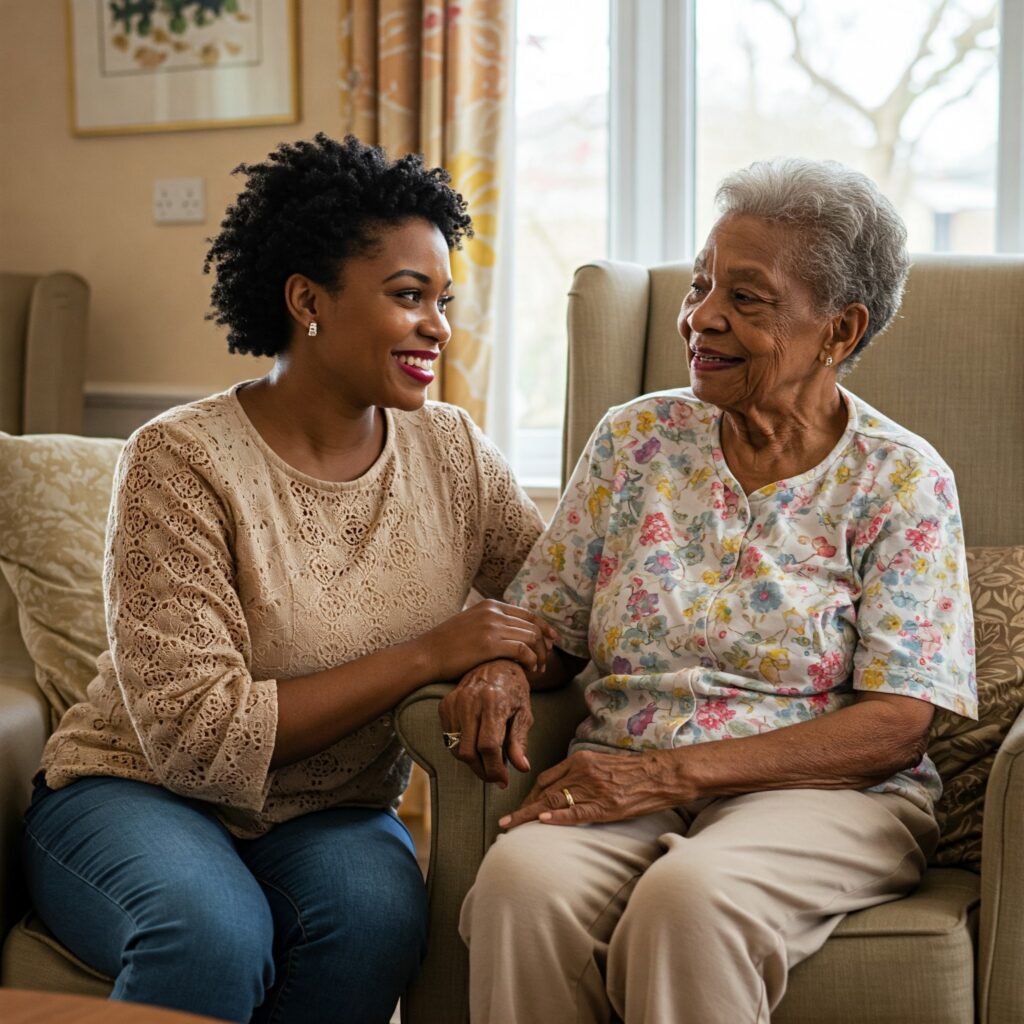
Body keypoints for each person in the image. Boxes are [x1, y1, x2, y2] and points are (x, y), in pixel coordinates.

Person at [22, 133, 555, 1024]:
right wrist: (437, 650)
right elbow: (198, 736)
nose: (438, 326)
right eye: (408, 297)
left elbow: (559, 602)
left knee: (379, 917)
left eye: (443, 301)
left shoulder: (453, 452)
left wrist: (502, 664)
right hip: (135, 791)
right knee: (211, 934)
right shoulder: (179, 461)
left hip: (329, 811)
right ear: (308, 300)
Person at [443, 158, 978, 1024]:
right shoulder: (637, 439)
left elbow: (898, 723)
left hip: (824, 802)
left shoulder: (900, 481)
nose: (701, 319)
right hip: (626, 770)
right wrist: (504, 667)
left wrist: (667, 775)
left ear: (839, 331)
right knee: (521, 882)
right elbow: (548, 622)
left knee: (687, 901)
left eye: (747, 297)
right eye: (700, 285)